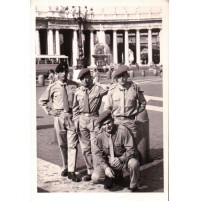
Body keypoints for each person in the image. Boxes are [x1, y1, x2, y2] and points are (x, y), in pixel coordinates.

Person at [38, 62, 80, 182]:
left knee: (72, 144)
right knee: (62, 144)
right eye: (61, 72)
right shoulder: (52, 87)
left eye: (66, 71)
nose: (64, 74)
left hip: (71, 116)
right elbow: (42, 101)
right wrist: (50, 112)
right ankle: (66, 166)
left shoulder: (74, 85)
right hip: (59, 117)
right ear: (57, 74)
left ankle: (72, 171)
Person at [73, 68, 108, 181]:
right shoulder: (78, 91)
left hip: (94, 119)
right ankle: (90, 170)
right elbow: (75, 108)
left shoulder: (97, 89)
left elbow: (108, 89)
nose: (85, 80)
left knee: (95, 147)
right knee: (85, 148)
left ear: (90, 77)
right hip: (82, 120)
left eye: (87, 78)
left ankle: (98, 171)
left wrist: (97, 82)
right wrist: (76, 121)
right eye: (82, 79)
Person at [92, 111, 140, 192]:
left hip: (123, 161)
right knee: (95, 178)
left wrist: (121, 159)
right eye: (104, 125)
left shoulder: (123, 131)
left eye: (109, 123)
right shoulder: (100, 135)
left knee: (134, 163)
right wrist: (106, 168)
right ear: (101, 126)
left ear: (113, 120)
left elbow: (131, 150)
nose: (107, 126)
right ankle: (115, 175)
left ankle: (133, 185)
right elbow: (98, 155)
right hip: (109, 162)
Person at [104, 65, 146, 142]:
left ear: (127, 76)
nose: (122, 79)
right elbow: (107, 108)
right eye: (119, 77)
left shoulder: (134, 89)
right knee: (118, 146)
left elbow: (142, 102)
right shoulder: (112, 90)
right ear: (116, 79)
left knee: (133, 146)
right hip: (117, 122)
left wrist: (136, 112)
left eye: (123, 76)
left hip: (130, 122)